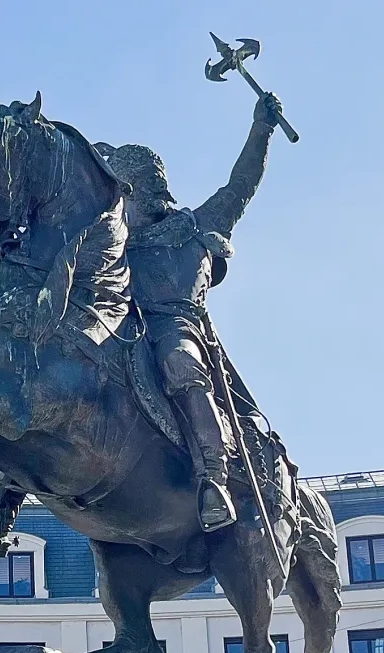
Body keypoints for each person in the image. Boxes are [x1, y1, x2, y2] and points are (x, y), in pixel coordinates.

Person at [99, 91, 283, 532]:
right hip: (122, 328)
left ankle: (213, 480)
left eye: (132, 190)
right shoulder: (113, 244)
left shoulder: (198, 224)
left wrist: (261, 128)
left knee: (181, 363)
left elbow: (242, 185)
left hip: (176, 326)